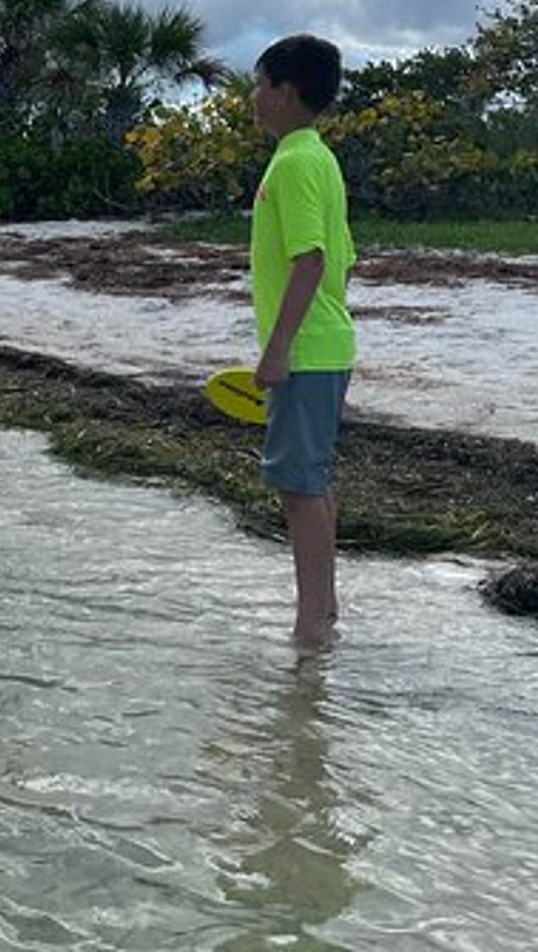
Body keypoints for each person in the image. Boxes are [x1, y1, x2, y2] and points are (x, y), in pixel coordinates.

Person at [247, 34, 356, 651]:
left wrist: (278, 348)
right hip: (324, 345)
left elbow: (311, 259)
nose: (253, 97)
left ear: (286, 93)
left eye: (260, 85)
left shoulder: (295, 162)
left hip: (309, 352)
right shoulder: (315, 156)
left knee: (298, 487)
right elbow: (343, 257)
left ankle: (311, 627)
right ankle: (326, 610)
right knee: (310, 481)